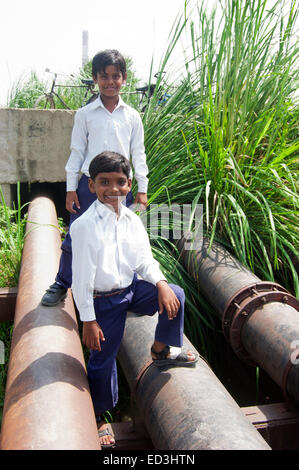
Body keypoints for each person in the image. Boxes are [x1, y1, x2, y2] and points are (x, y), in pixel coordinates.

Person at [70, 152, 198, 448]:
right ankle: (100, 414)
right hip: (103, 301)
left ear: (129, 185)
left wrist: (161, 284)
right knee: (102, 358)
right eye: (104, 182)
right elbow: (81, 280)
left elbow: (144, 260)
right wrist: (88, 320)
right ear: (92, 186)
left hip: (130, 290)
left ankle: (161, 349)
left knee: (176, 294)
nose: (113, 189)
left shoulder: (131, 220)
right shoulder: (85, 227)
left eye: (120, 182)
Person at [42, 49, 148, 306]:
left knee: (122, 235)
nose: (110, 82)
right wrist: (70, 189)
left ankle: (125, 287)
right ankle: (62, 283)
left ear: (124, 79)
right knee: (75, 234)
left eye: (115, 76)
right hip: (90, 186)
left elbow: (139, 154)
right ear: (95, 79)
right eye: (104, 76)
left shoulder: (132, 116)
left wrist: (142, 190)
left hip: (121, 189)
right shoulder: (85, 115)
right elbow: (77, 152)